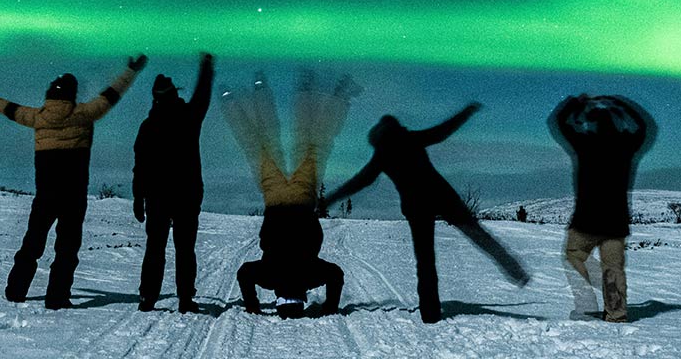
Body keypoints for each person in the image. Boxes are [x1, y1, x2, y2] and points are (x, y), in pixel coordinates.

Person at [320, 102, 530, 324]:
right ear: (395, 128)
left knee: (426, 260)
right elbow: (442, 131)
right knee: (478, 235)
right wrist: (466, 112)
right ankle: (514, 269)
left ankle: (430, 314)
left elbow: (359, 182)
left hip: (417, 207)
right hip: (443, 196)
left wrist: (330, 199)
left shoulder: (383, 153)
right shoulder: (409, 138)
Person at [0, 55, 147, 309]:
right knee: (67, 249)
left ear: (50, 95)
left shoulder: (37, 117)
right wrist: (131, 70)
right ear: (72, 94)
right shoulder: (85, 114)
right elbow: (112, 93)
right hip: (74, 196)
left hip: (45, 195)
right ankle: (57, 296)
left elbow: (10, 109)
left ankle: (16, 291)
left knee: (32, 243)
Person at [224, 72, 357, 318]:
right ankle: (237, 97)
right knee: (258, 146)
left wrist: (330, 308)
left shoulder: (311, 275)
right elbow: (244, 273)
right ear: (278, 297)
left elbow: (336, 274)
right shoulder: (269, 276)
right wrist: (252, 305)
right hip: (275, 199)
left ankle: (329, 93)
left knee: (314, 145)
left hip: (302, 200)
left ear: (302, 297)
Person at [547, 93, 656, 323]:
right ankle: (616, 313)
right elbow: (647, 126)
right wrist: (622, 102)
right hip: (616, 222)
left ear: (593, 124)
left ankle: (587, 306)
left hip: (585, 219)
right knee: (613, 268)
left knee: (574, 256)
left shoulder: (585, 143)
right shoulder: (627, 146)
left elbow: (556, 121)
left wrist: (577, 102)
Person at [132, 53, 216, 313]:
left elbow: (140, 167)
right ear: (173, 94)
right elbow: (202, 96)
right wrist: (206, 67)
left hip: (157, 197)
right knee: (185, 249)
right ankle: (185, 298)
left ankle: (148, 296)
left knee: (155, 248)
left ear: (155, 98)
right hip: (187, 195)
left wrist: (138, 198)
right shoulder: (188, 117)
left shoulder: (148, 126)